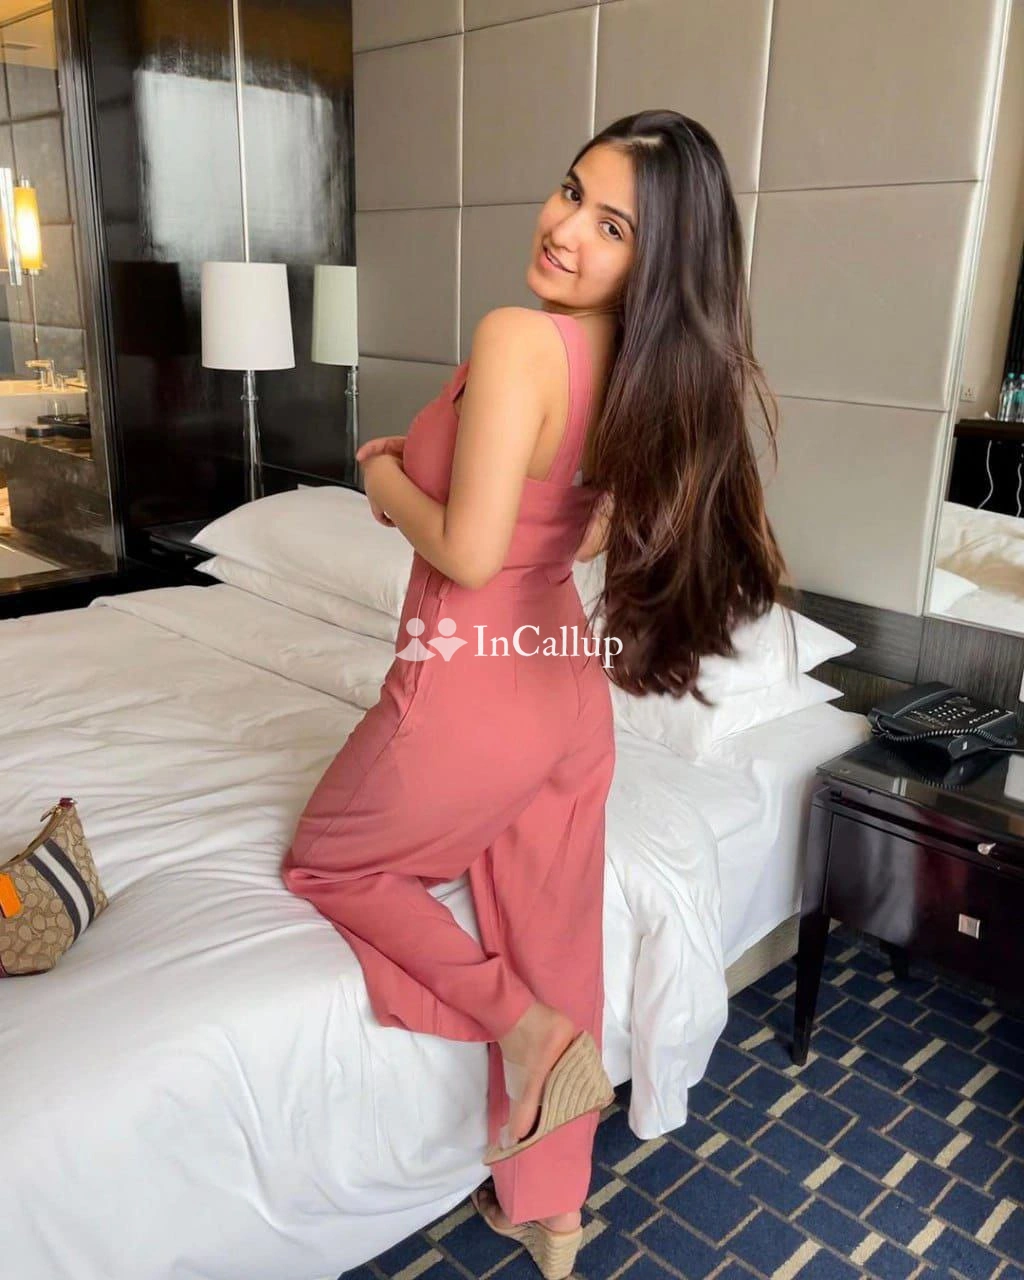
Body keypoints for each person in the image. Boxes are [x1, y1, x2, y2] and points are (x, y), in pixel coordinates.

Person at [281, 108, 791, 1280]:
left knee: (332, 866)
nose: (564, 229)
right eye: (571, 192)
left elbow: (467, 553)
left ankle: (525, 1030)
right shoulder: (647, 375)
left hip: (466, 689)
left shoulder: (519, 338)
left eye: (611, 226)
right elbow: (584, 529)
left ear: (655, 260)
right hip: (561, 688)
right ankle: (553, 1214)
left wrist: (379, 476)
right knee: (554, 935)